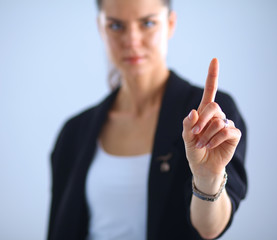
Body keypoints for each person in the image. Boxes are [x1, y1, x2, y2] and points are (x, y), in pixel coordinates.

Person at [47, 0, 247, 239]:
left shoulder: (210, 117)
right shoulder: (75, 132)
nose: (132, 40)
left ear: (170, 24)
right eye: (116, 26)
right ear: (100, 28)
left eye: (148, 23)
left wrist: (208, 178)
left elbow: (209, 228)